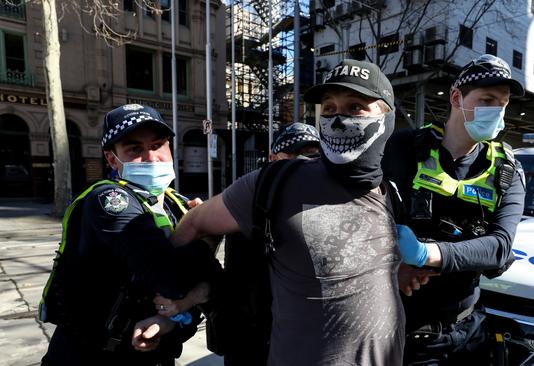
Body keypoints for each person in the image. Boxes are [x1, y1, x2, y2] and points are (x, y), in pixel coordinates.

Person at [136, 59, 405, 366]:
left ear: (387, 117)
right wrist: (175, 302)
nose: (338, 119)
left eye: (355, 107)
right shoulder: (271, 188)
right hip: (254, 347)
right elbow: (203, 238)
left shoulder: (390, 193)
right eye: (328, 109)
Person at [40, 104, 217, 366]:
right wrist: (207, 235)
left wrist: (169, 320)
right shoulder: (109, 201)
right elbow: (173, 279)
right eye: (135, 149)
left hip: (151, 352)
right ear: (112, 159)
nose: (151, 157)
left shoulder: (176, 203)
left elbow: (214, 284)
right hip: (89, 356)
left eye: (158, 145)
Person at [382, 54, 527, 365]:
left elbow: (499, 247)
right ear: (456, 97)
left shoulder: (507, 169)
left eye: (502, 104)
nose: (497, 111)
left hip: (466, 328)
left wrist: (425, 254)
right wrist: (392, 265)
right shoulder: (402, 149)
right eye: (487, 99)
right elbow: (366, 219)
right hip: (402, 329)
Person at [154, 122, 322, 366]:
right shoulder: (248, 198)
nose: (305, 164)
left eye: (312, 156)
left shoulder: (320, 203)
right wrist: (181, 297)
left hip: (298, 335)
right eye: (295, 157)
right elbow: (201, 237)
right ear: (274, 159)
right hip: (248, 335)